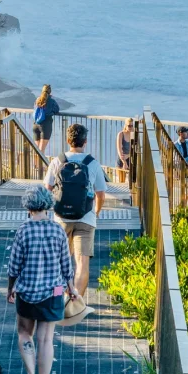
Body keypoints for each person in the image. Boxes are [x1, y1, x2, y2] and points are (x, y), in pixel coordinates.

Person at [6, 184, 80, 374]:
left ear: (28, 207)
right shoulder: (57, 230)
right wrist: (71, 287)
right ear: (48, 205)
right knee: (46, 340)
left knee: (24, 334)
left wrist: (11, 289)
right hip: (53, 292)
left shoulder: (23, 230)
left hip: (27, 291)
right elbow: (66, 264)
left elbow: (14, 266)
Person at [45, 122, 108, 300]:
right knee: (82, 264)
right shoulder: (93, 163)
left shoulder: (58, 161)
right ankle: (74, 302)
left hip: (61, 218)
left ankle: (58, 298)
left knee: (59, 262)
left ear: (68, 140)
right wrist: (96, 212)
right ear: (85, 141)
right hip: (85, 218)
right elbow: (101, 194)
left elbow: (47, 189)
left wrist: (54, 209)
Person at [33, 85, 61, 153]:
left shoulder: (37, 99)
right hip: (45, 125)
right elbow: (56, 110)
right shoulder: (51, 101)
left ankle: (36, 164)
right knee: (41, 151)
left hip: (35, 125)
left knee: (37, 150)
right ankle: (40, 164)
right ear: (50, 91)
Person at [116, 118, 135, 183]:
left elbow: (136, 149)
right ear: (125, 125)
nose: (130, 127)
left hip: (130, 159)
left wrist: (128, 155)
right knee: (122, 182)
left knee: (132, 182)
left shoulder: (134, 134)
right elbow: (119, 149)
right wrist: (124, 162)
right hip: (122, 158)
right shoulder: (121, 134)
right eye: (129, 126)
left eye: (132, 126)